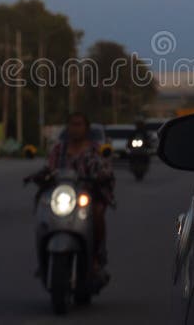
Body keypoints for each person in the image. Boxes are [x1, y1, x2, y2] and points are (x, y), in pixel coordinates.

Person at [46, 112, 115, 276]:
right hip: (63, 196)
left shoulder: (95, 149)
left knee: (97, 213)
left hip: (88, 196)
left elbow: (106, 170)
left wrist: (101, 177)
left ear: (86, 128)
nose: (75, 128)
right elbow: (49, 169)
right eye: (72, 124)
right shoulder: (59, 149)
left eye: (79, 124)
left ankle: (96, 255)